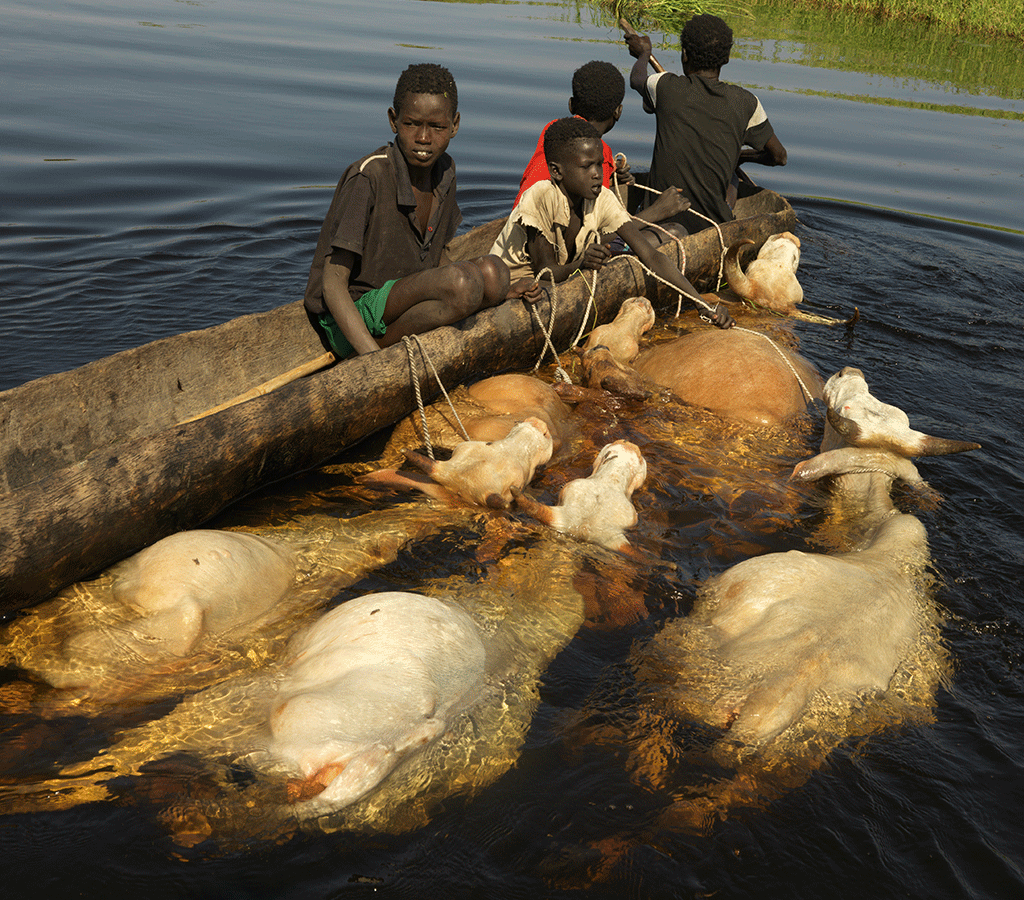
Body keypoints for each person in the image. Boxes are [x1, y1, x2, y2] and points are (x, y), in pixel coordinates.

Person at [303, 63, 524, 358]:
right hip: (355, 316)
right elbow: (332, 285)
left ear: (455, 125)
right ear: (394, 121)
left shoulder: (445, 171)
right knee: (461, 283)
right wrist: (372, 359)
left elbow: (439, 255)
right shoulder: (369, 176)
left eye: (437, 127)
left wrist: (492, 295)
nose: (423, 138)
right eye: (411, 124)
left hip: (404, 302)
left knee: (495, 273)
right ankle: (385, 350)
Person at [490, 117, 734, 328]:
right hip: (511, 284)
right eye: (586, 166)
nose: (597, 173)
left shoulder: (601, 197)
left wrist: (703, 304)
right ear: (556, 171)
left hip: (553, 278)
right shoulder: (540, 197)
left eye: (598, 164)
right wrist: (581, 263)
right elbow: (547, 273)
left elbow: (651, 255)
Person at [625, 15, 788, 233]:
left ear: (684, 54)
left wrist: (644, 53)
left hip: (657, 223)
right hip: (712, 227)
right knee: (732, 180)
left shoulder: (665, 86)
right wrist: (742, 157)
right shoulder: (747, 102)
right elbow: (779, 157)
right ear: (727, 57)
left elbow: (637, 78)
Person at [514, 60, 690, 229]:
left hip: (520, 216)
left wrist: (615, 180)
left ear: (571, 105)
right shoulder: (601, 153)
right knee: (675, 231)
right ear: (618, 112)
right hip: (557, 233)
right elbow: (596, 227)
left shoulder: (551, 130)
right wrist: (656, 212)